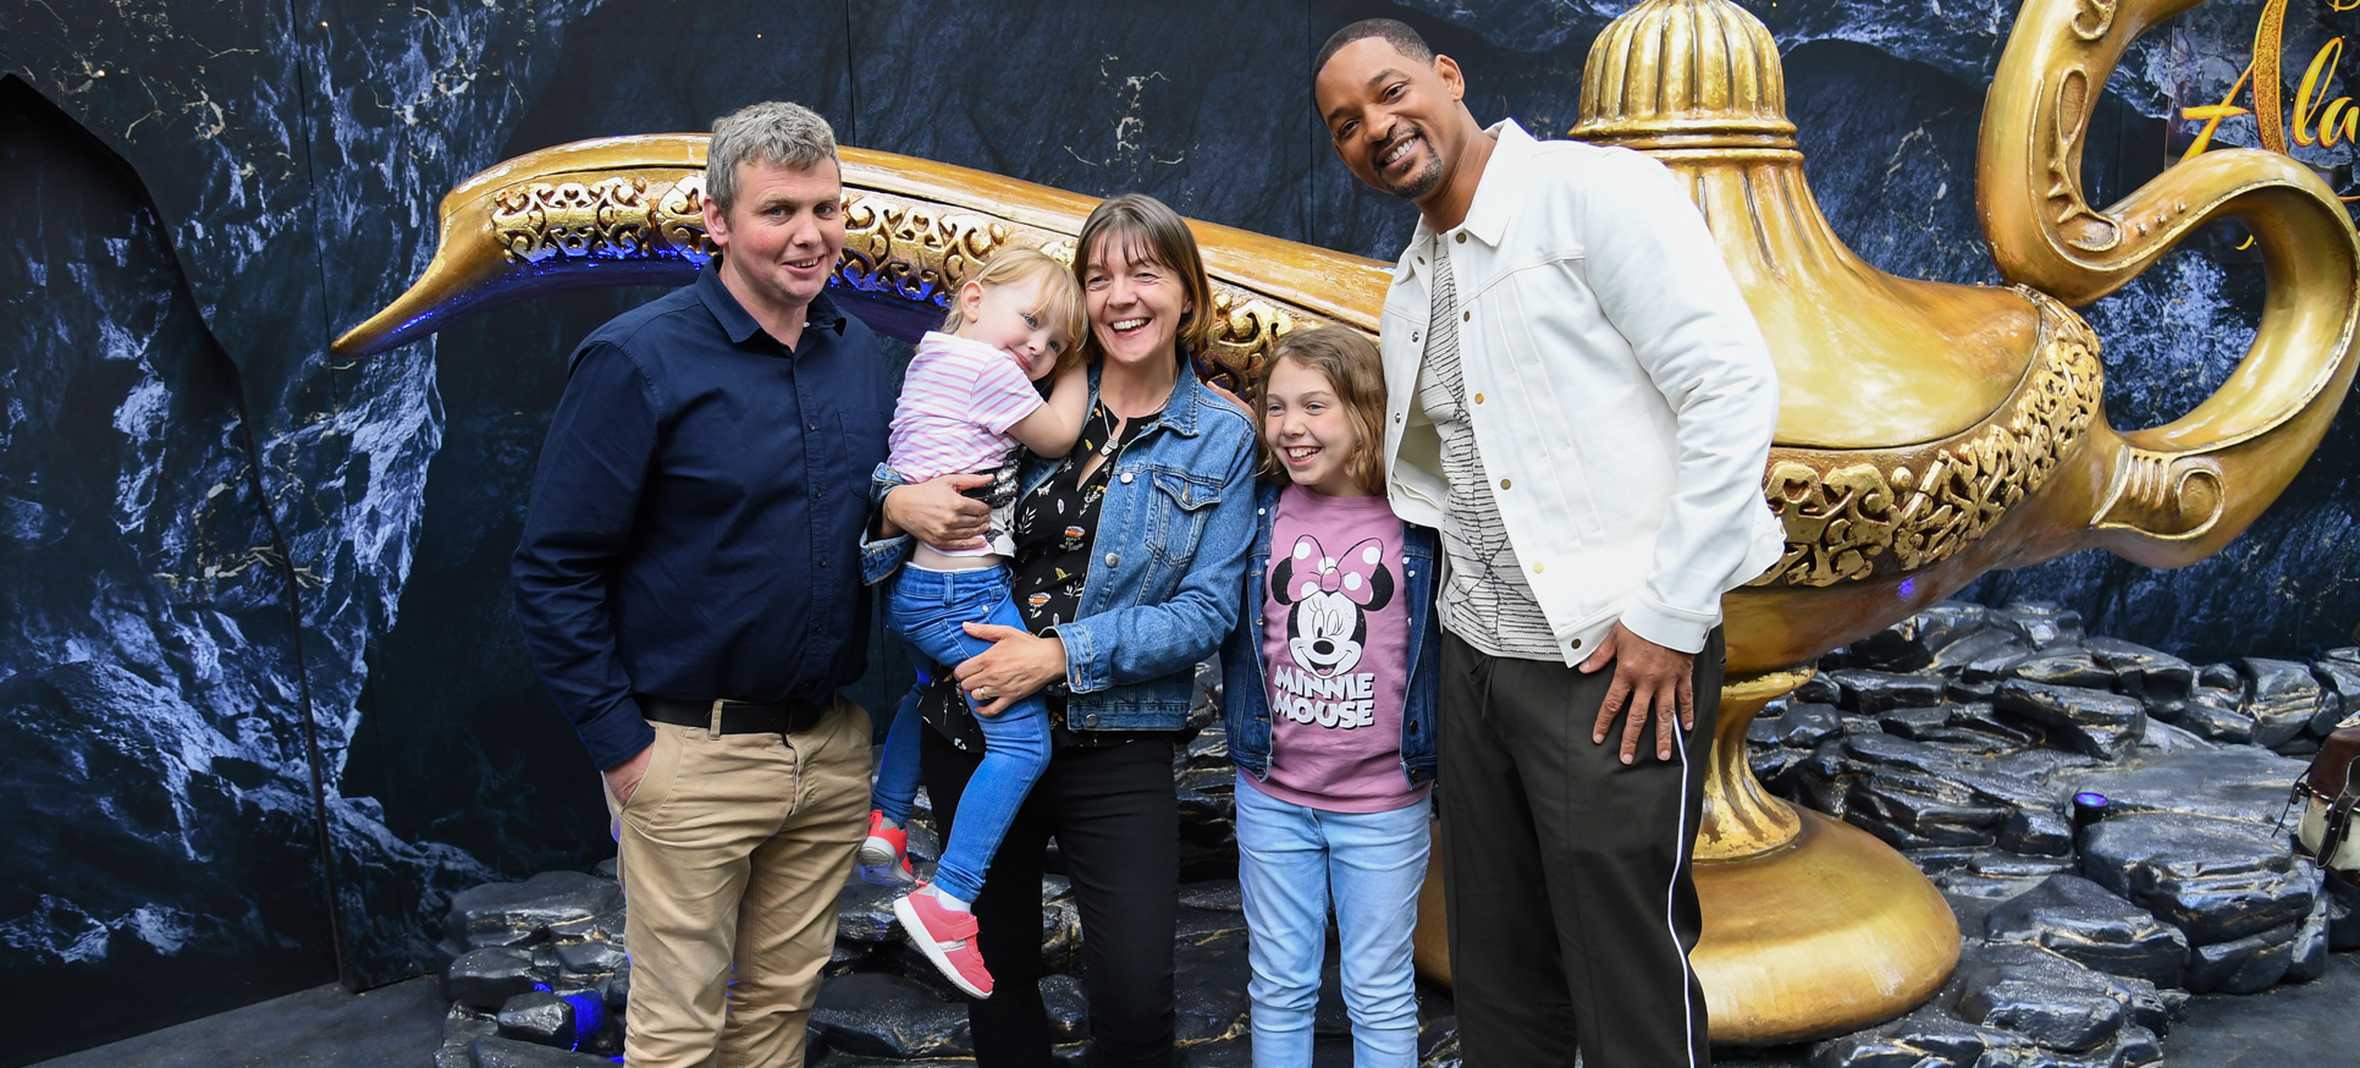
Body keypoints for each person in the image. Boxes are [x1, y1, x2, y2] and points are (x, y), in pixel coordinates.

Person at [1312, 19, 1786, 1068]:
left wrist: (1666, 616)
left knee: (1623, 972)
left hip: (1610, 661)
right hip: (1476, 660)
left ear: (1448, 75)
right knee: (1499, 969)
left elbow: (1730, 390)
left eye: (1390, 94)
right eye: (1346, 125)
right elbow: (1453, 475)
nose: (1375, 129)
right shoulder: (1410, 280)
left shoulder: (1589, 194)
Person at [511, 100, 888, 1068]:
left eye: (826, 208)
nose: (809, 234)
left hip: (829, 750)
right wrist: (627, 754)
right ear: (716, 220)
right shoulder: (637, 360)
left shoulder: (861, 356)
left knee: (774, 1021)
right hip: (687, 756)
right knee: (677, 1033)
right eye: (778, 211)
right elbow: (553, 571)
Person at [864, 193, 1260, 1067]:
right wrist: (893, 504)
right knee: (996, 987)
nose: (1121, 295)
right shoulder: (1016, 382)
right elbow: (911, 471)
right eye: (1099, 276)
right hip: (973, 722)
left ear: (1187, 295)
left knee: (1133, 1004)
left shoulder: (1220, 435)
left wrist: (1057, 656)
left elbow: (1206, 613)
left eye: (1144, 274)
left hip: (1116, 741)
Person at [861, 247, 1091, 999]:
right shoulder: (992, 372)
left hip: (914, 583)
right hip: (960, 589)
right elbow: (1058, 435)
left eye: (1055, 342)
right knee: (1024, 745)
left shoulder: (930, 358)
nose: (1038, 348)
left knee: (929, 686)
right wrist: (1082, 366)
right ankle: (949, 898)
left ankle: (889, 821)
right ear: (971, 297)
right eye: (1031, 323)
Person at [1219, 326, 1438, 1067]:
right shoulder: (1257, 512)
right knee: (1278, 984)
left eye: (1316, 405)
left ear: (1368, 411)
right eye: (1276, 408)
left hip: (1382, 804)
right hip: (1273, 794)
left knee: (1377, 987)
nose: (1291, 427)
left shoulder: (1417, 523)